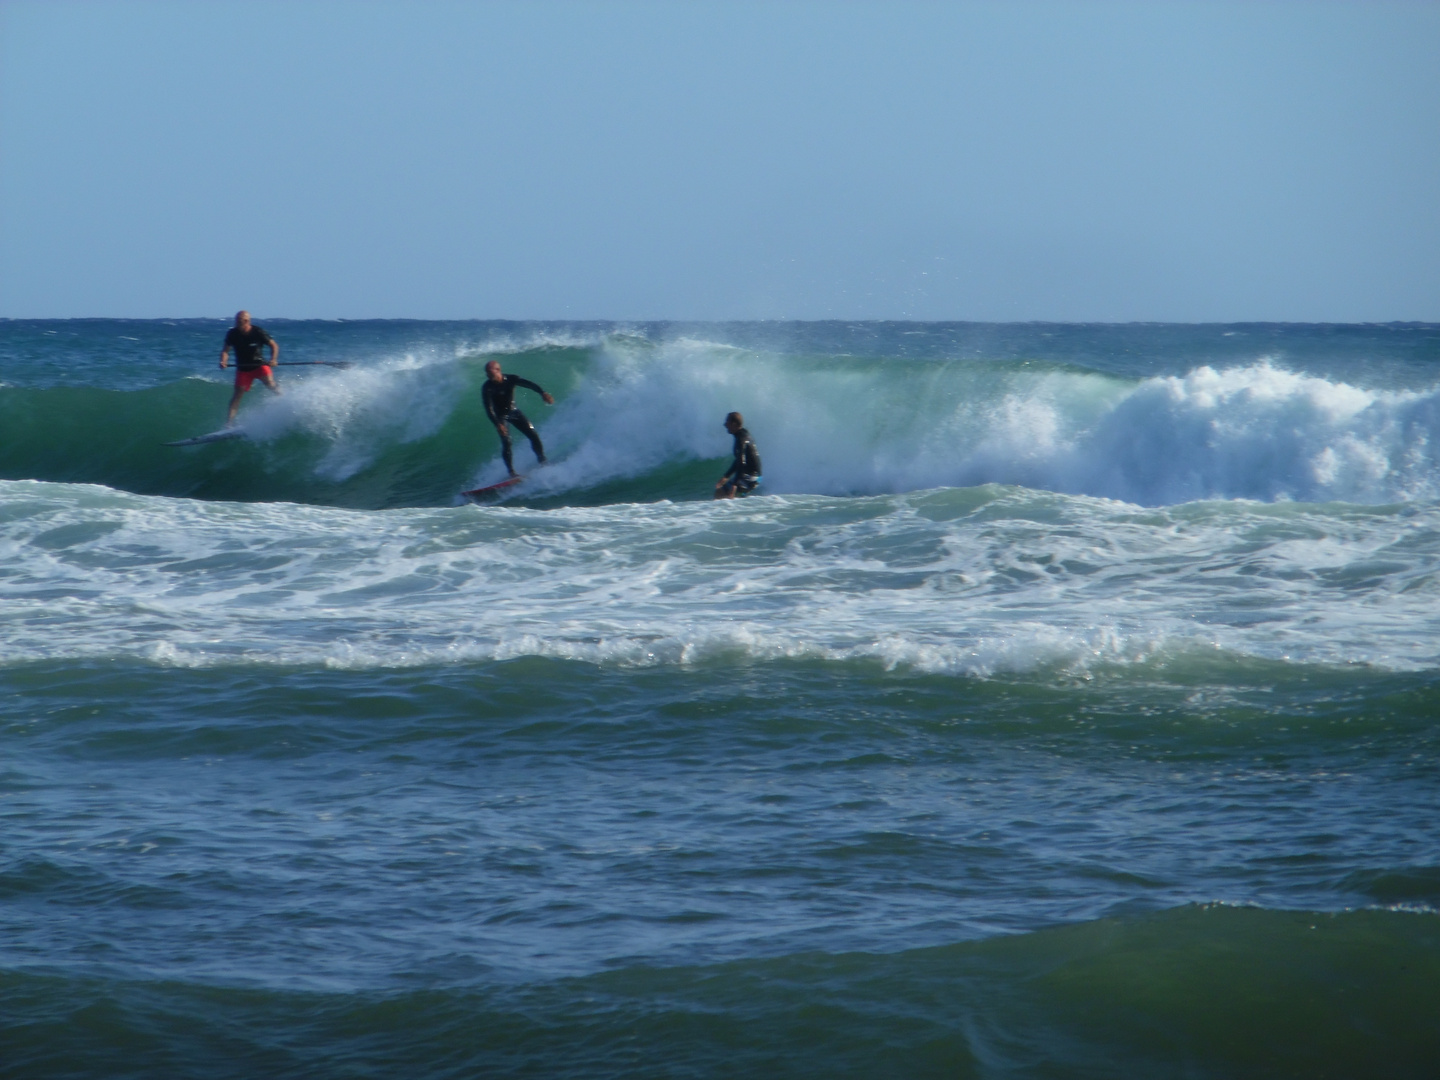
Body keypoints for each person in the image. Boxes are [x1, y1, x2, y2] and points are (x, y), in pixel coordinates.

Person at [482, 359, 554, 476]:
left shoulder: (511, 379)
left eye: (491, 373)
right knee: (507, 442)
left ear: (498, 370)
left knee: (533, 434)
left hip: (514, 412)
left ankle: (542, 460)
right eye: (487, 374)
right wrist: (497, 424)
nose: (489, 376)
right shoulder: (487, 387)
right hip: (501, 417)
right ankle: (511, 472)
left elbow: (529, 384)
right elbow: (488, 408)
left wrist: (542, 392)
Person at [219, 310, 280, 426]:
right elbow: (225, 351)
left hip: (259, 365)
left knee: (271, 384)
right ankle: (229, 424)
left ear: (246, 321)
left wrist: (273, 359)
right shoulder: (232, 333)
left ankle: (284, 400)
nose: (236, 323)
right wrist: (223, 361)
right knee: (237, 395)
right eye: (236, 321)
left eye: (239, 321)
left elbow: (274, 345)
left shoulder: (258, 332)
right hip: (243, 369)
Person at [715, 412, 762, 498]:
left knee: (720, 493)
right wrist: (726, 476)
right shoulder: (743, 435)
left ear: (734, 424)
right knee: (728, 497)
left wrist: (735, 484)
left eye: (727, 422)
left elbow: (741, 462)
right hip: (753, 477)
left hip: (750, 477)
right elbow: (738, 461)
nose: (725, 424)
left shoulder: (741, 438)